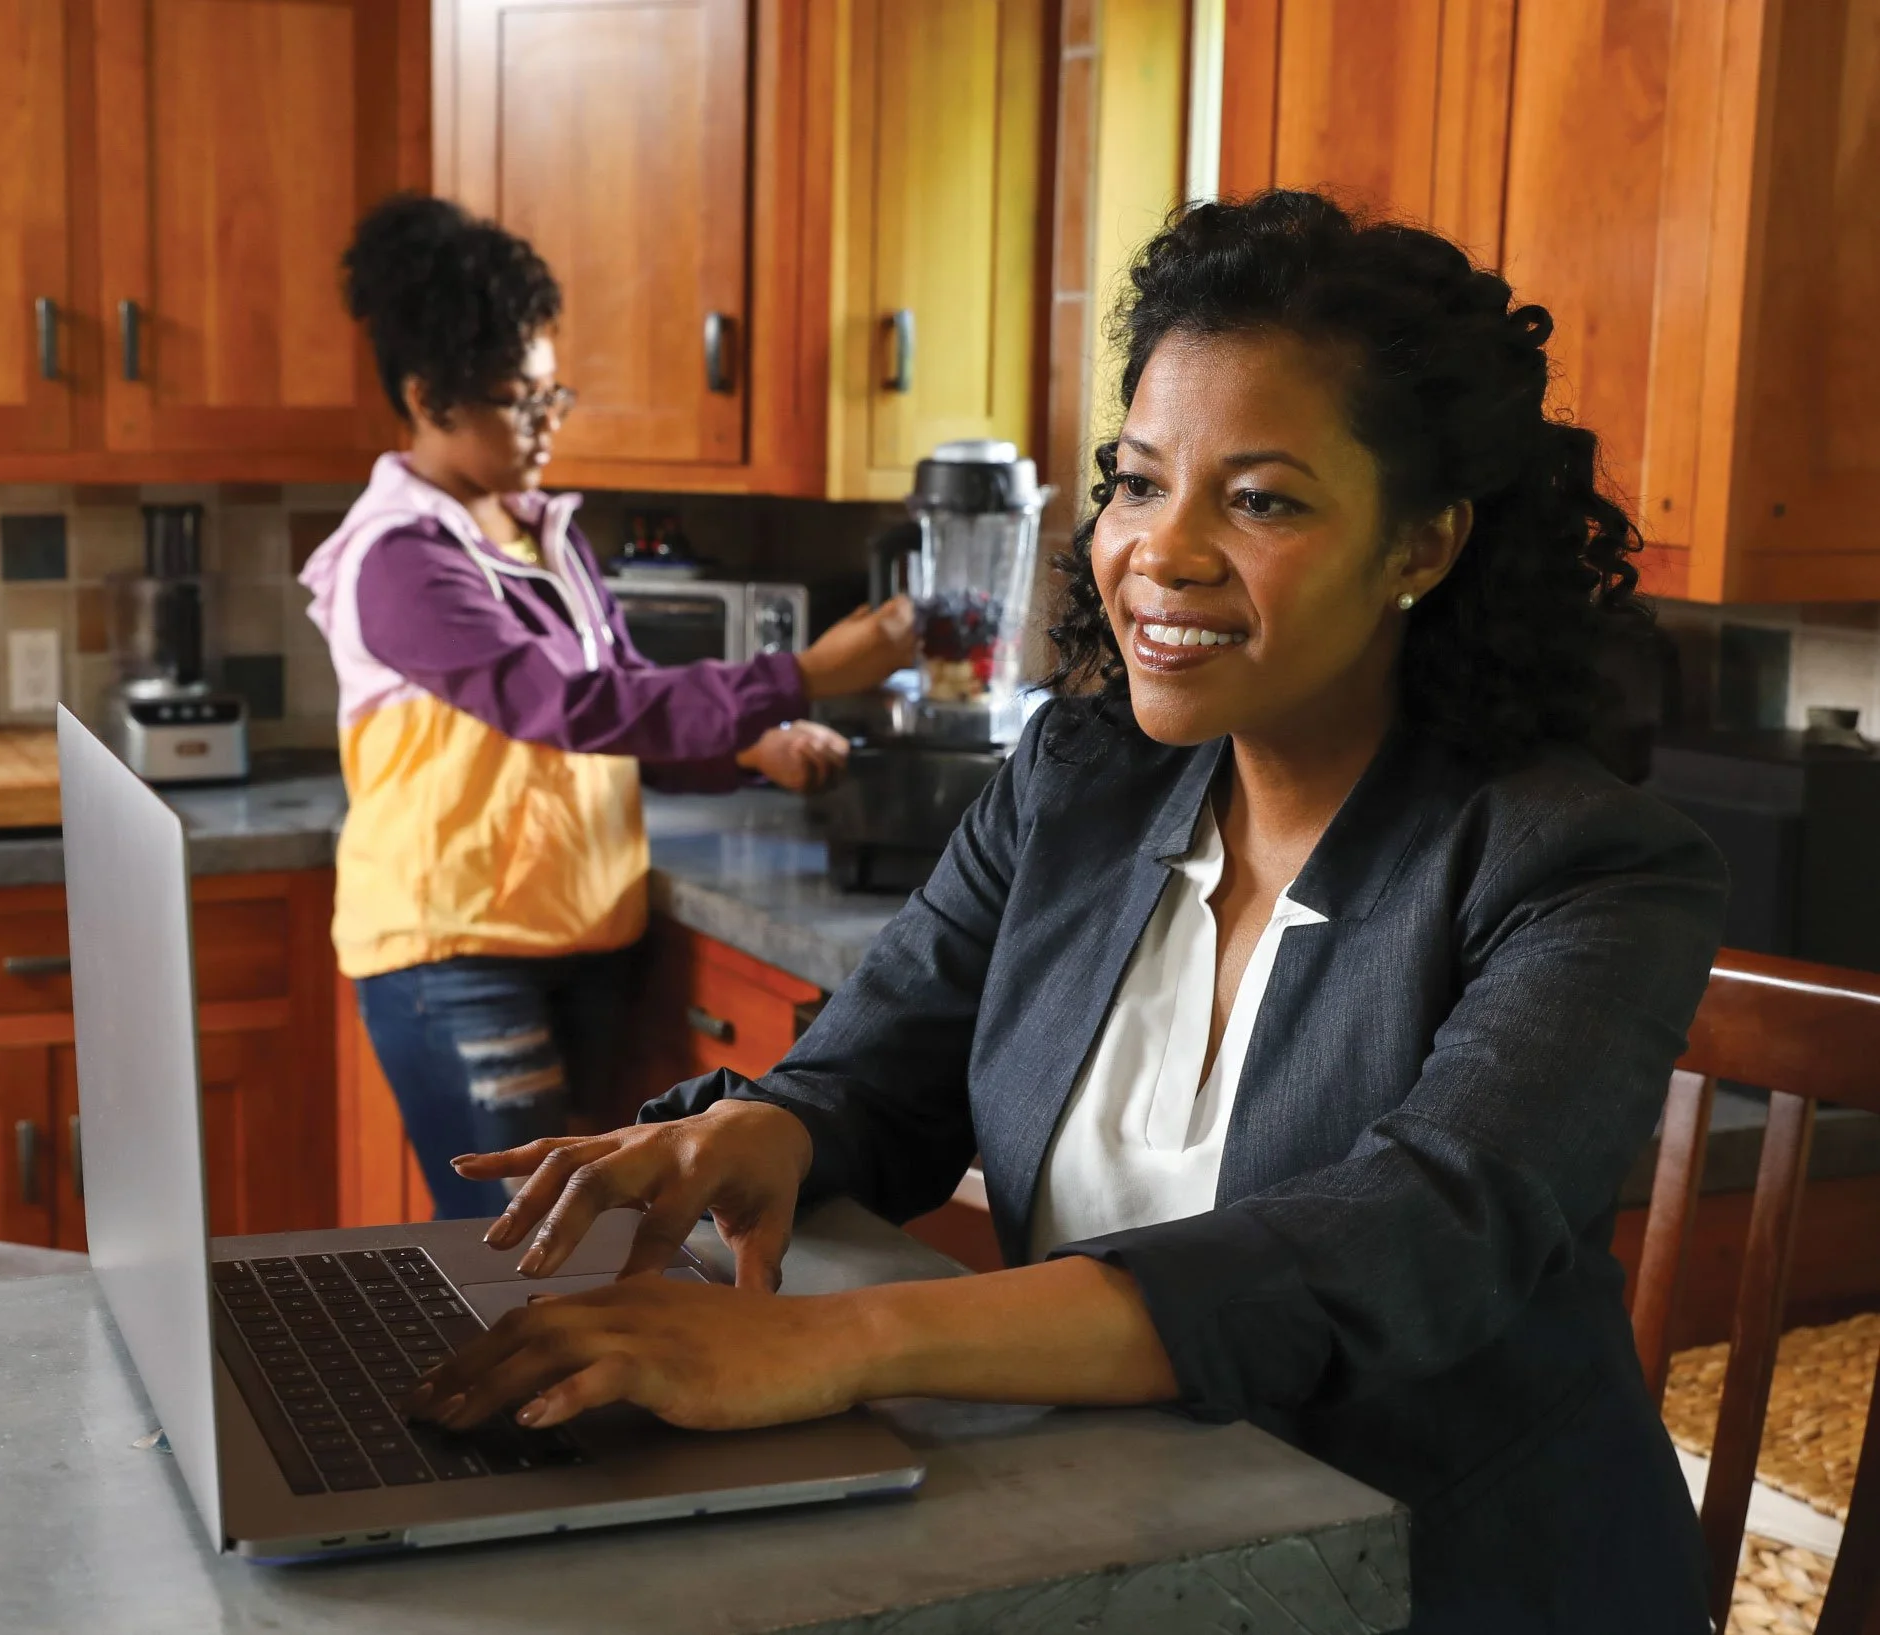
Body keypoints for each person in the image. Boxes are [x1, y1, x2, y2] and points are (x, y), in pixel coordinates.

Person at [400, 192, 1730, 1632]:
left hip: (1451, 1588)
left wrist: (846, 1341)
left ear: (1420, 546)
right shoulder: (1079, 780)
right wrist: (769, 1128)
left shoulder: (1586, 867)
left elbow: (1411, 1237)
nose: (1163, 549)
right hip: (1130, 1548)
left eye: (1261, 499)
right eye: (1137, 482)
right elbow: (882, 1067)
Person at [300, 196, 916, 1219]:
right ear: (425, 398)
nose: (547, 423)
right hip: (455, 957)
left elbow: (623, 713)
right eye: (517, 403)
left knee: (582, 1243)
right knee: (519, 1248)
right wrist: (801, 673)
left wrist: (747, 751)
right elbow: (566, 706)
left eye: (553, 395)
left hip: (584, 943)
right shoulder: (399, 559)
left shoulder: (542, 533)